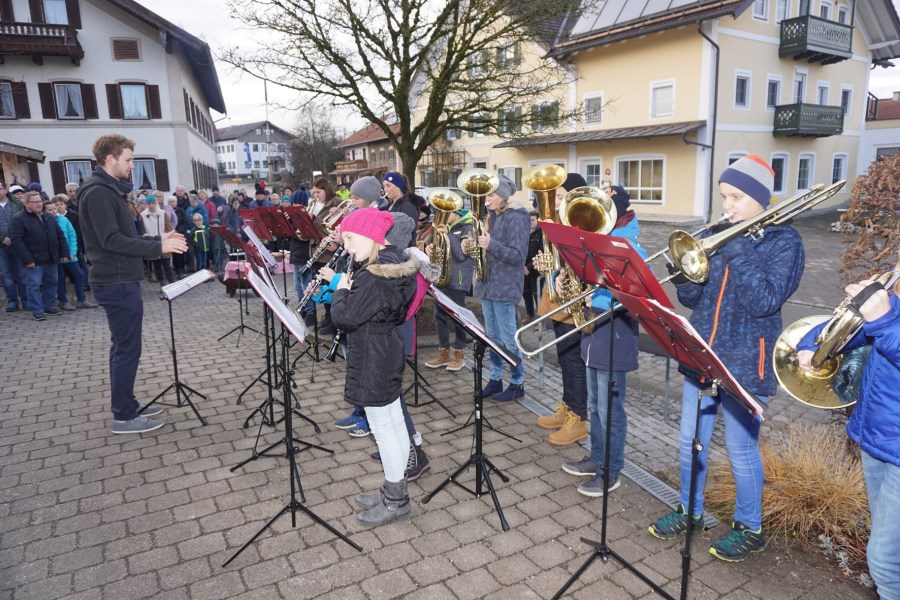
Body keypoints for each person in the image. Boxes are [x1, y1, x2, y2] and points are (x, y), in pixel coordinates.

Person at [647, 155, 805, 562]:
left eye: (736, 196)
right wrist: (685, 274)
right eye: (724, 196)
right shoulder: (718, 235)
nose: (727, 205)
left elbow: (764, 301)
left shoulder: (785, 242)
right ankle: (691, 511)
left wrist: (735, 244)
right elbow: (693, 300)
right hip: (702, 355)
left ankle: (749, 526)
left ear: (759, 198)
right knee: (689, 442)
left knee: (740, 450)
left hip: (746, 365)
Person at [796, 260, 900, 599]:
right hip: (878, 436)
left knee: (884, 560)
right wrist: (813, 343)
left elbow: (886, 329)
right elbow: (852, 328)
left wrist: (884, 319)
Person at [78, 134, 188, 434]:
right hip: (114, 281)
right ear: (110, 159)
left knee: (125, 347)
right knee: (126, 350)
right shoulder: (99, 192)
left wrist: (159, 238)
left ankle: (127, 403)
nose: (132, 165)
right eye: (128, 159)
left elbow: (124, 237)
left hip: (120, 278)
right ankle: (124, 415)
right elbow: (110, 241)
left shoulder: (109, 190)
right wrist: (158, 249)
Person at [330, 207, 417, 526]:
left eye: (351, 238)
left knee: (384, 427)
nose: (347, 246)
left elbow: (345, 317)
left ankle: (396, 502)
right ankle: (393, 490)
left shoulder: (373, 275)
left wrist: (340, 289)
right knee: (393, 420)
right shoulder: (392, 263)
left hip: (373, 353)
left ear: (371, 235)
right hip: (386, 347)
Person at [561, 185, 646, 495]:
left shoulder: (631, 246)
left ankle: (611, 469)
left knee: (612, 409)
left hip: (615, 335)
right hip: (593, 335)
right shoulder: (597, 241)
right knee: (595, 405)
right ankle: (597, 458)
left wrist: (590, 297)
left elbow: (632, 294)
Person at [532, 173, 591, 446]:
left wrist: (559, 269)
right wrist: (545, 266)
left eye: (559, 195)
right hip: (557, 298)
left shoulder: (583, 221)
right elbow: (557, 261)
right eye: (554, 196)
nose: (555, 201)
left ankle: (578, 418)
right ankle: (567, 408)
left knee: (574, 362)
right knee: (565, 358)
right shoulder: (556, 223)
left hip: (574, 300)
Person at [463, 173, 530, 402]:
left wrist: (491, 244)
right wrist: (470, 244)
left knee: (508, 337)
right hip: (487, 285)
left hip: (504, 286)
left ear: (502, 196)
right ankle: (495, 379)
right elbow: (482, 246)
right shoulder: (490, 215)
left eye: (490, 194)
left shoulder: (517, 217)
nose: (486, 199)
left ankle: (517, 382)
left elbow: (518, 256)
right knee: (492, 337)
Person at [424, 207, 474, 371]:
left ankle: (459, 354)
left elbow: (461, 254)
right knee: (439, 317)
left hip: (458, 281)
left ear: (457, 214)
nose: (443, 217)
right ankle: (444, 352)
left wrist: (448, 236)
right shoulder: (443, 228)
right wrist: (430, 249)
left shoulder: (468, 228)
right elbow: (437, 250)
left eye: (447, 214)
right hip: (442, 279)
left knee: (458, 318)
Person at [9, 191, 69, 320]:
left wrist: (64, 252)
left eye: (40, 201)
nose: (39, 204)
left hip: (51, 257)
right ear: (26, 203)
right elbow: (17, 241)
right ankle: (37, 310)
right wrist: (27, 259)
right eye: (35, 202)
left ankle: (48, 306)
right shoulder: (18, 219)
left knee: (52, 282)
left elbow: (59, 235)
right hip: (34, 260)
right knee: (34, 285)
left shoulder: (48, 216)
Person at [47, 197, 97, 310]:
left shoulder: (64, 220)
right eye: (51, 209)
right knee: (60, 279)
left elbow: (72, 235)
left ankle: (82, 299)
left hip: (70, 255)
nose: (54, 210)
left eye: (55, 208)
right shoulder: (46, 222)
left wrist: (72, 252)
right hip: (57, 257)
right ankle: (63, 301)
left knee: (79, 275)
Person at [0, 181, 27, 312]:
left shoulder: (17, 204)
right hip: (1, 247)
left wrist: (15, 237)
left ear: (5, 189)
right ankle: (12, 300)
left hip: (18, 244)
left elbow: (23, 221)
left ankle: (25, 299)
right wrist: (2, 238)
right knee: (5, 275)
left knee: (22, 273)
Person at [140, 196, 176, 286]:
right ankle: (162, 284)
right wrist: (148, 239)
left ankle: (172, 284)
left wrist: (165, 236)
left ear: (156, 203)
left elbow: (168, 227)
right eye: (149, 203)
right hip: (152, 243)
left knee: (167, 265)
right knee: (157, 266)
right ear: (146, 204)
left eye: (153, 203)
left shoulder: (163, 213)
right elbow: (143, 230)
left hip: (164, 242)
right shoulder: (143, 215)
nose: (151, 205)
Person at [382, 172, 418, 247]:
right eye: (384, 186)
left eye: (388, 186)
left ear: (398, 186)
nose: (385, 189)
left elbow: (405, 231)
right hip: (391, 248)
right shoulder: (389, 205)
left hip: (403, 250)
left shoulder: (408, 206)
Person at [522, 210, 541, 325]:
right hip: (523, 269)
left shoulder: (541, 233)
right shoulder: (523, 233)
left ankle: (541, 319)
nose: (530, 222)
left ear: (537, 220)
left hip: (535, 269)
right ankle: (530, 314)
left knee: (536, 293)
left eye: (533, 220)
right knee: (525, 292)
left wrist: (528, 268)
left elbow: (540, 252)